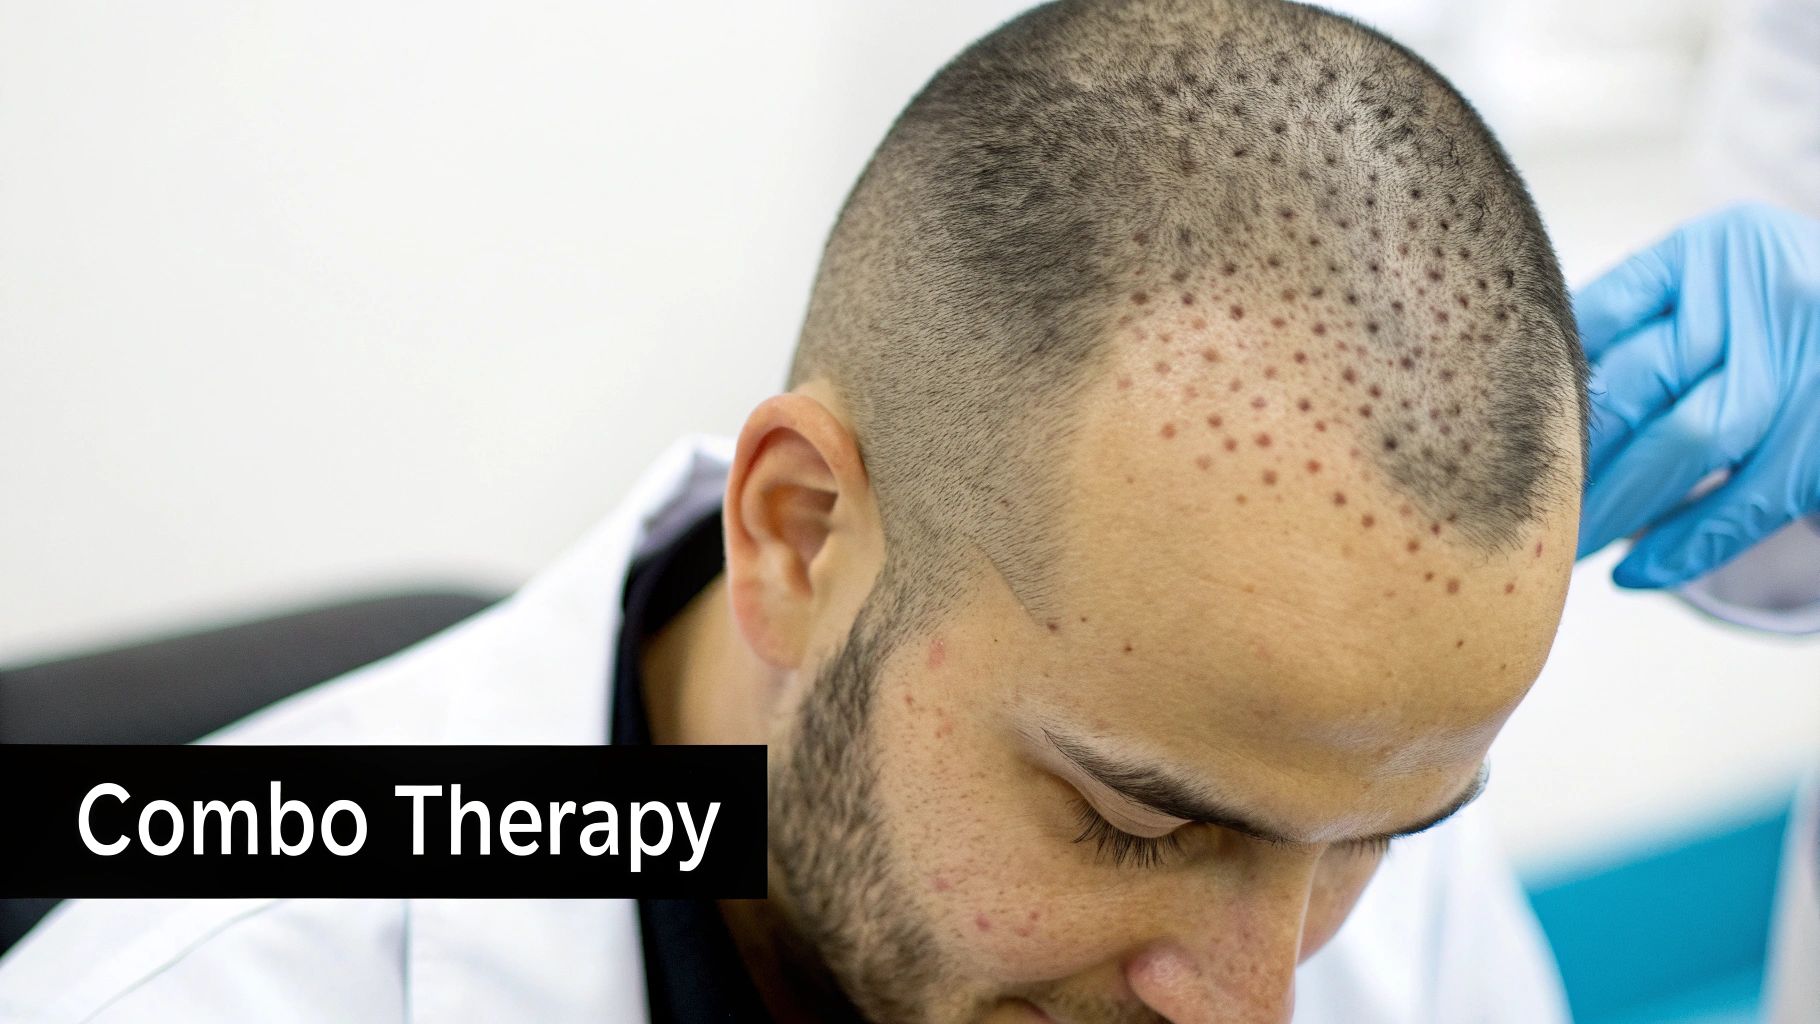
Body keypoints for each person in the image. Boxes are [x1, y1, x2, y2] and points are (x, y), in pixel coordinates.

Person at [0, 0, 1672, 1020]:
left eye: (1377, 843)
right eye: (1136, 827)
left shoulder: (1318, 793)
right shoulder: (218, 990)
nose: (1259, 1001)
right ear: (799, 539)